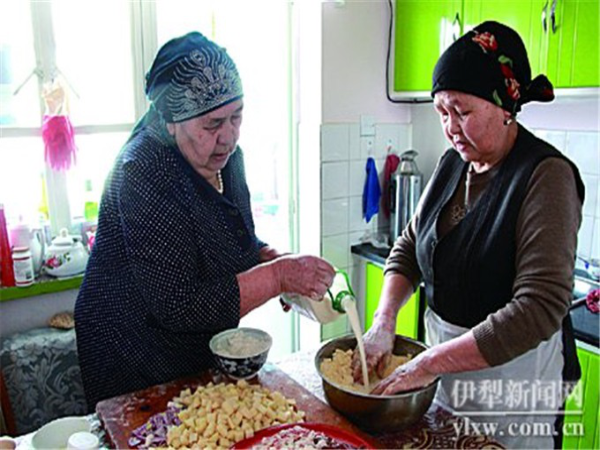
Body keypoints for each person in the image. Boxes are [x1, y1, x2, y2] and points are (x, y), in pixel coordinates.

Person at [352, 21, 584, 449]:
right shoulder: (452, 164)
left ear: (505, 107)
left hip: (513, 386)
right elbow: (409, 247)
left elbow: (540, 305)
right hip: (446, 373)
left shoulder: (545, 176)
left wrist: (428, 364)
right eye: (442, 113)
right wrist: (384, 321)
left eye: (461, 112)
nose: (450, 127)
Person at [74, 31, 335, 410]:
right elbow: (178, 304)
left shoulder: (227, 158)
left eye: (237, 116)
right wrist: (277, 277)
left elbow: (232, 234)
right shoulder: (142, 171)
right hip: (130, 348)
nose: (228, 137)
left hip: (191, 345)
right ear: (171, 121)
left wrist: (267, 258)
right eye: (213, 124)